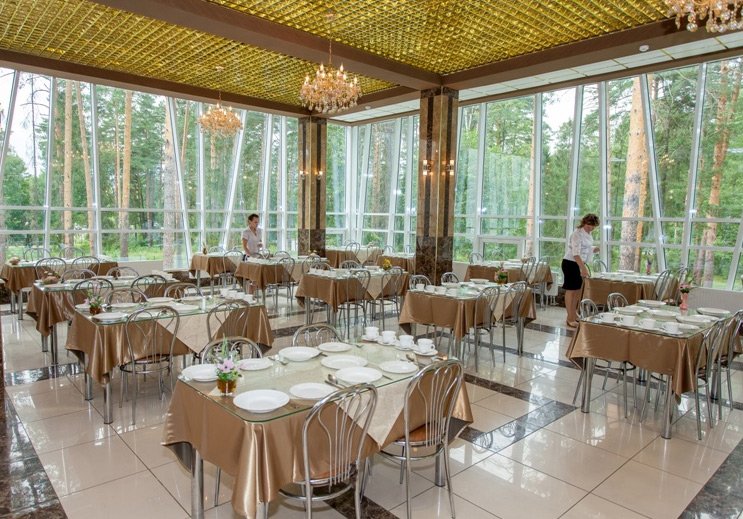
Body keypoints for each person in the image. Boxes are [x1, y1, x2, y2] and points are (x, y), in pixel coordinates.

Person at [562, 213, 600, 328]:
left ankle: (573, 314)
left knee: (577, 291)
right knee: (571, 291)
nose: (591, 228)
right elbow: (576, 253)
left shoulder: (588, 234)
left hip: (578, 263)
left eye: (593, 226)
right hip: (571, 263)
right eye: (589, 225)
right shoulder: (577, 234)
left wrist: (593, 249)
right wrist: (583, 268)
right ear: (584, 223)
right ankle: (570, 318)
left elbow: (584, 248)